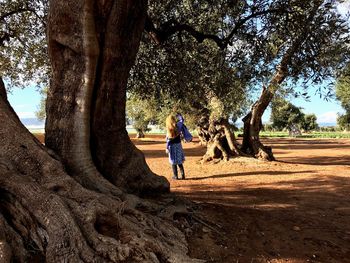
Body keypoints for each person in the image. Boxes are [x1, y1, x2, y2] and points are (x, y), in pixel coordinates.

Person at [165, 114, 187, 180]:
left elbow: (169, 140)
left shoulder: (169, 129)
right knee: (179, 161)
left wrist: (166, 147)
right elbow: (182, 120)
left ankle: (175, 176)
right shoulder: (178, 126)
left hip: (172, 146)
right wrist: (179, 115)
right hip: (178, 145)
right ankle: (183, 176)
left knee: (173, 161)